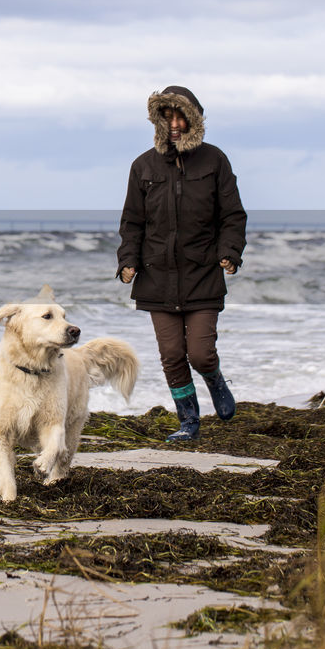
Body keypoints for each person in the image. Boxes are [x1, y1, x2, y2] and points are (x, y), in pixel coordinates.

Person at [115, 86, 246, 442]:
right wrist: (128, 260)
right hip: (157, 277)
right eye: (167, 116)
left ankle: (215, 381)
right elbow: (132, 222)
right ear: (158, 120)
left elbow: (232, 215)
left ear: (193, 118)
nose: (174, 123)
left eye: (180, 115)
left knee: (201, 354)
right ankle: (188, 421)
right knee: (172, 355)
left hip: (203, 273)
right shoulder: (143, 166)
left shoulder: (215, 161)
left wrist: (230, 252)